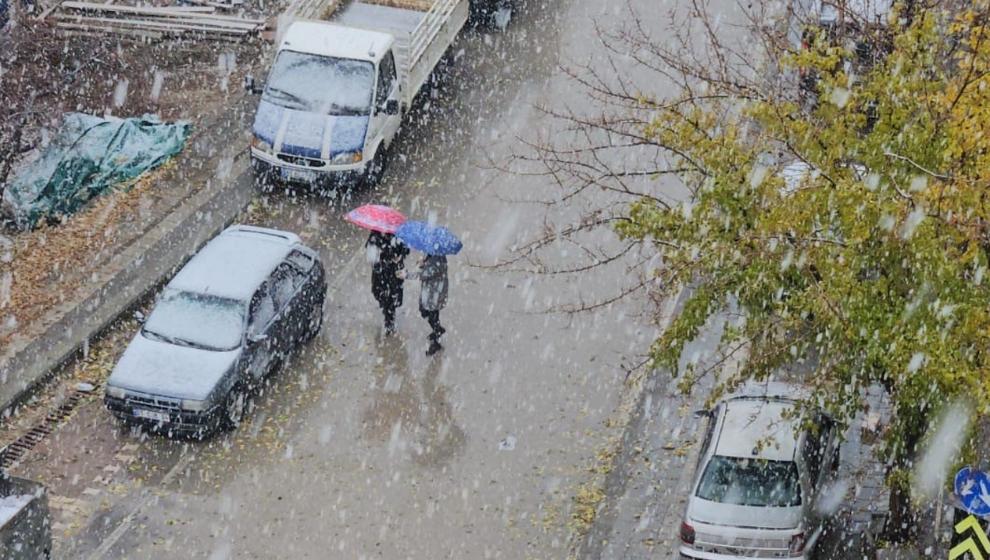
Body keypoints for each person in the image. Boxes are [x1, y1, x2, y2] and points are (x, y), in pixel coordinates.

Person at [367, 231, 409, 334]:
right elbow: (371, 256)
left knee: (392, 296)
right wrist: (379, 260)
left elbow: (406, 249)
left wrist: (400, 256)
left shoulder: (398, 235)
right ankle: (387, 312)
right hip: (381, 273)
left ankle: (389, 320)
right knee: (381, 294)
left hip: (394, 272)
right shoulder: (374, 237)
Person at [416, 254, 448, 355]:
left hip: (434, 294)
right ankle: (438, 329)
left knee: (432, 315)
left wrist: (406, 274)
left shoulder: (438, 259)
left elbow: (425, 274)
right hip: (429, 293)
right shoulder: (431, 255)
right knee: (425, 312)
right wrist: (422, 263)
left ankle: (436, 342)